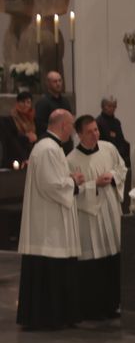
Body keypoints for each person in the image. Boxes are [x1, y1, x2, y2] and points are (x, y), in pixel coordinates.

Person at [16, 109, 83, 331]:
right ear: (63, 125)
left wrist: (69, 180)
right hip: (48, 225)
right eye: (71, 126)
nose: (72, 131)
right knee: (51, 267)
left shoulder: (51, 147)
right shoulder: (48, 149)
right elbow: (50, 185)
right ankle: (49, 317)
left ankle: (55, 316)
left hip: (50, 221)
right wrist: (73, 182)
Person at [67, 115, 127, 321]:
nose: (95, 134)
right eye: (89, 132)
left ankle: (113, 304)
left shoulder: (108, 148)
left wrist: (113, 176)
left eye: (96, 130)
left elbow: (122, 168)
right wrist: (94, 184)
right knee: (93, 263)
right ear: (79, 134)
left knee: (113, 259)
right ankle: (92, 309)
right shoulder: (71, 160)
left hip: (110, 210)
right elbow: (71, 191)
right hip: (89, 218)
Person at [34, 71, 73, 146]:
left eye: (60, 81)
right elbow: (40, 125)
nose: (58, 84)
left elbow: (69, 119)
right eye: (55, 81)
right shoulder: (42, 102)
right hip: (50, 142)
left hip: (66, 143)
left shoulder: (65, 101)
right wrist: (57, 129)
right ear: (48, 84)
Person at [97, 96, 131, 166]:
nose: (112, 108)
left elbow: (121, 139)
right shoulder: (98, 122)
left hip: (117, 152)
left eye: (114, 106)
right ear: (103, 107)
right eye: (109, 106)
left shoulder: (117, 122)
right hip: (105, 153)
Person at [9, 90, 37, 164]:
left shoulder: (33, 117)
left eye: (28, 102)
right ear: (17, 103)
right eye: (22, 102)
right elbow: (11, 137)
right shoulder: (11, 118)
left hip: (32, 151)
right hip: (17, 152)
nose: (25, 105)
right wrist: (26, 137)